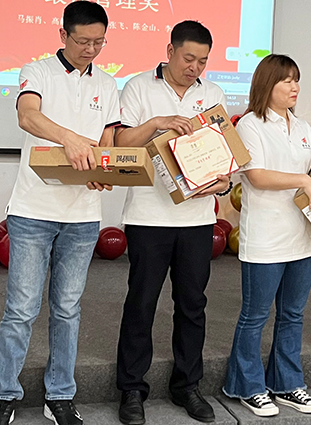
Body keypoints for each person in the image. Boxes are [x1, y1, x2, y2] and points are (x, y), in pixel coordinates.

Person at [0, 1, 121, 425]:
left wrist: (104, 171)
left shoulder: (108, 84)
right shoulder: (38, 72)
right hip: (33, 211)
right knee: (21, 310)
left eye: (99, 42)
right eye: (83, 41)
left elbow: (108, 141)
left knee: (67, 309)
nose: (91, 49)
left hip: (83, 216)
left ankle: (60, 394)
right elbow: (28, 116)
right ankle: (4, 394)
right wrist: (70, 139)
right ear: (63, 35)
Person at [223, 54, 311, 417]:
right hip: (265, 239)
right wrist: (302, 179)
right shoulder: (250, 125)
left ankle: (286, 383)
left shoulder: (300, 127)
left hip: (302, 239)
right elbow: (257, 176)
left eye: (296, 79)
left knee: (293, 314)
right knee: (255, 316)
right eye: (286, 80)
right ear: (266, 84)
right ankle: (247, 386)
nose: (294, 86)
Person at [114, 21, 231, 425]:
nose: (194, 68)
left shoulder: (212, 95)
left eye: (202, 61)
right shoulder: (138, 87)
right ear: (169, 51)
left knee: (193, 305)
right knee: (142, 302)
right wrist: (156, 123)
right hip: (148, 216)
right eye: (188, 58)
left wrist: (224, 181)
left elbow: (225, 154)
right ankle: (132, 388)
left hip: (197, 219)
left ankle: (187, 386)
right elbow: (120, 143)